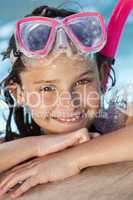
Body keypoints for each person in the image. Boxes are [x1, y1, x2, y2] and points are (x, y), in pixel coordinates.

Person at [0, 1, 133, 198]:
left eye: (82, 82)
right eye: (47, 88)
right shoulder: (13, 145)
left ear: (103, 77)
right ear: (18, 93)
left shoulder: (119, 119)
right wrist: (38, 145)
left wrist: (72, 159)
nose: (69, 103)